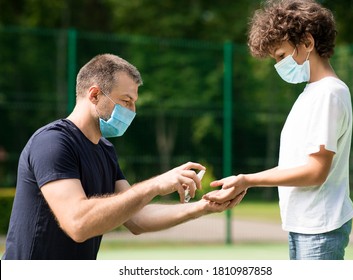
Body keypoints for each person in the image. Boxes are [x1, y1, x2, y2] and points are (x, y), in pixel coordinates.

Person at [2, 54, 244, 260]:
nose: (132, 111)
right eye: (125, 101)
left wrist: (204, 207)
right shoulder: (53, 142)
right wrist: (156, 184)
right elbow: (77, 223)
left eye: (134, 103)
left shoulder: (105, 149)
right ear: (94, 95)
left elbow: (136, 218)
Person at [204, 0, 353, 260]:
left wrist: (247, 180)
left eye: (282, 56)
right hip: (304, 225)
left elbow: (316, 172)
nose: (279, 66)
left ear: (307, 42)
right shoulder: (311, 93)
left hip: (319, 229)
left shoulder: (329, 94)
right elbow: (296, 164)